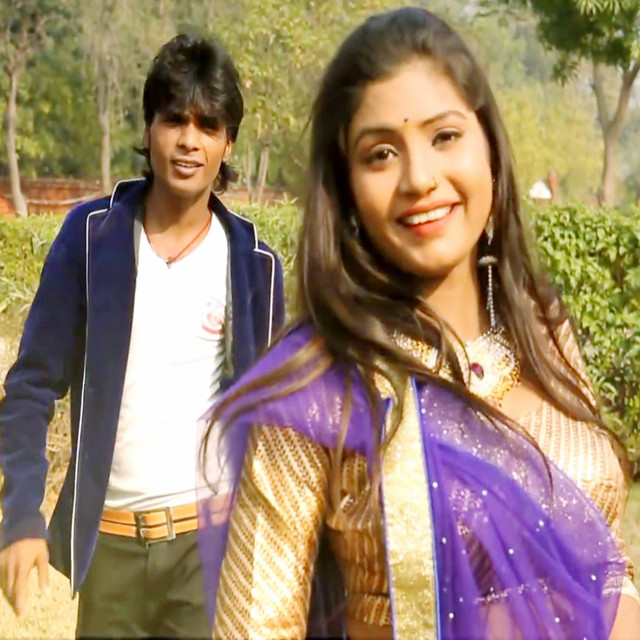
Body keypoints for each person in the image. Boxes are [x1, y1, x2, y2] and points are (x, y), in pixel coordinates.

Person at [200, 7, 640, 640]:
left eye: (446, 136)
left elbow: (602, 554)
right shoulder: (316, 390)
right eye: (381, 154)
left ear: (491, 150)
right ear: (347, 191)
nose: (421, 179)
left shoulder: (542, 331)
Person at [0, 33, 284, 638]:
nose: (189, 140)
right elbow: (31, 387)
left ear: (228, 143)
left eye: (208, 126)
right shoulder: (91, 240)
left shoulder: (255, 266)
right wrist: (21, 512)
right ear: (150, 128)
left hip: (207, 554)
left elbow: (275, 419)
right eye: (174, 119)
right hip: (111, 553)